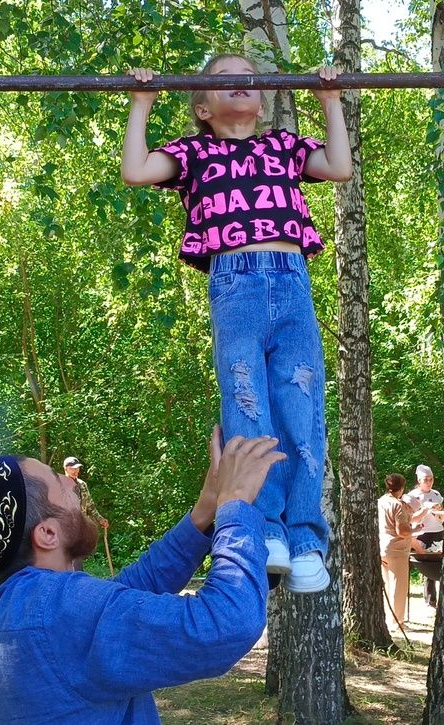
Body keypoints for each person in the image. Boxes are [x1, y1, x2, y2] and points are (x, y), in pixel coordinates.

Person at [121, 55, 352, 593]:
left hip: (291, 279)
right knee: (248, 404)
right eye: (226, 81)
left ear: (264, 98)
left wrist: (331, 102)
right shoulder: (194, 151)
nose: (241, 86)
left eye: (249, 78)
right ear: (203, 106)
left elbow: (338, 167)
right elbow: (136, 170)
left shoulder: (284, 145)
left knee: (301, 406)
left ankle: (305, 539)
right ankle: (265, 527)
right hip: (237, 285)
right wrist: (142, 104)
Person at [0, 427, 280, 723]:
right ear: (47, 534)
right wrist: (236, 505)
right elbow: (226, 624)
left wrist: (204, 510)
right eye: (58, 481)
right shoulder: (55, 611)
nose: (73, 486)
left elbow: (119, 597)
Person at [378, 473, 414, 628]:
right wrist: (414, 528)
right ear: (402, 488)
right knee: (398, 588)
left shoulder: (381, 501)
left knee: (387, 585)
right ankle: (397, 621)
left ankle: (388, 616)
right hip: (397, 550)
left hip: (383, 547)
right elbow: (402, 531)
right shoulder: (397, 505)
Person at [403, 464, 444, 551]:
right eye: (425, 480)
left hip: (438, 531)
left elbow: (442, 515)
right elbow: (410, 519)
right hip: (422, 533)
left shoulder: (436, 494)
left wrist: (440, 513)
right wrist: (426, 509)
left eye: (431, 479)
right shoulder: (412, 496)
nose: (429, 483)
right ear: (419, 480)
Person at [63, 455, 108, 529]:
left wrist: (100, 519)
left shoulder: (82, 484)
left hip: (82, 526)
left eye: (77, 468)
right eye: (73, 468)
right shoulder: (60, 485)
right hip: (67, 528)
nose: (76, 470)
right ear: (66, 468)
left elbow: (90, 505)